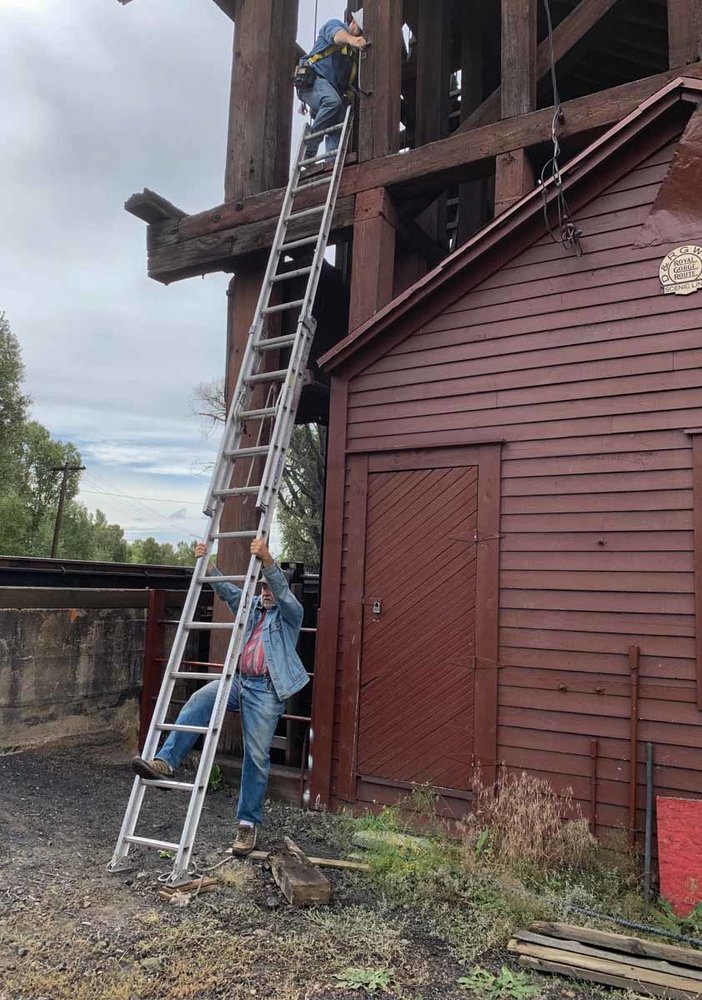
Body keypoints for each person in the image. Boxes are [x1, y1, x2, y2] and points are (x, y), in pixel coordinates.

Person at [131, 538, 308, 856]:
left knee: (256, 757)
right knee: (198, 700)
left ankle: (247, 824)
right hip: (239, 681)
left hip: (266, 691)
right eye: (263, 587)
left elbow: (283, 593)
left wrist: (268, 559)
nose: (267, 592)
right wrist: (207, 565)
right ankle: (165, 763)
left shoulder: (290, 613)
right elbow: (228, 591)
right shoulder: (253, 607)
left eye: (270, 587)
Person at [296, 8, 368, 162]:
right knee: (333, 102)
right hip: (312, 83)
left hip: (329, 91)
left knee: (339, 116)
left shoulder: (352, 58)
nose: (359, 35)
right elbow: (337, 36)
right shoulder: (335, 26)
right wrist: (353, 40)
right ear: (353, 22)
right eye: (359, 30)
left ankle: (331, 163)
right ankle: (311, 146)